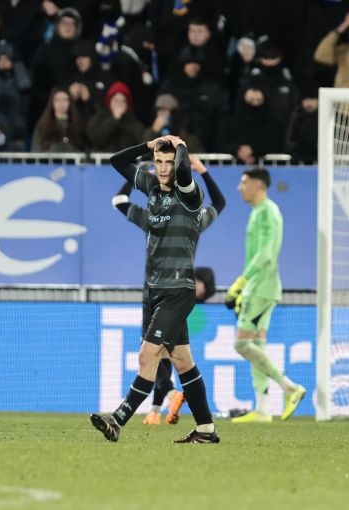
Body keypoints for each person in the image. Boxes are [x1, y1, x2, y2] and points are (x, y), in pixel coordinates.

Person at [90, 135, 219, 443]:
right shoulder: (149, 187)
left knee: (148, 355)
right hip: (154, 290)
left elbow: (186, 172)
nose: (163, 169)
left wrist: (182, 146)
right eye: (158, 162)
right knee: (182, 361)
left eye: (169, 162)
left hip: (178, 290)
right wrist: (148, 146)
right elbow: (116, 161)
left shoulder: (189, 195)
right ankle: (205, 429)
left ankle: (119, 419)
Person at [226, 167, 306, 423]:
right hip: (260, 286)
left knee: (241, 344)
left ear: (258, 185)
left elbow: (266, 254)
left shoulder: (268, 211)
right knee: (257, 345)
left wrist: (242, 281)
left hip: (262, 286)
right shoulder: (258, 212)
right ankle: (262, 409)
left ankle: (290, 388)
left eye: (244, 182)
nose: (240, 187)